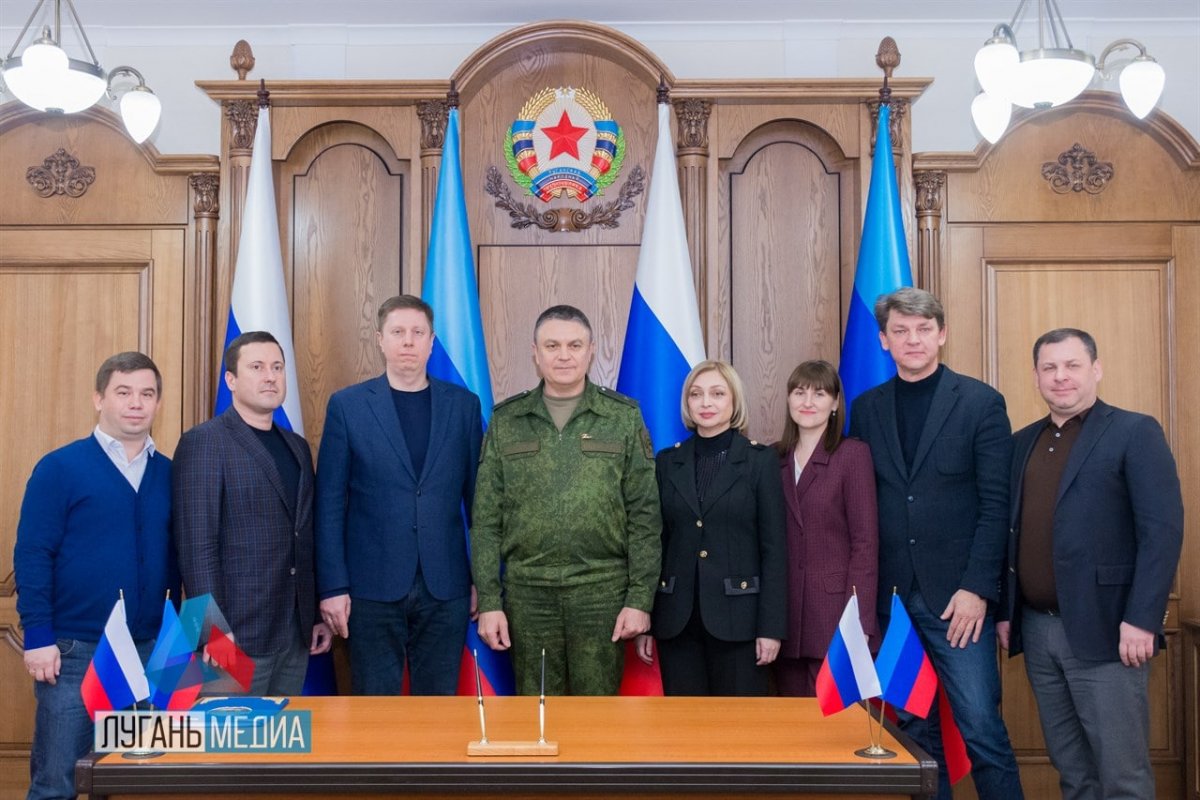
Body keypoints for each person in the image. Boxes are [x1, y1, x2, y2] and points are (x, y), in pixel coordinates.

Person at [849, 287, 1023, 800]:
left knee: (981, 731)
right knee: (914, 737)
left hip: (958, 603)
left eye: (923, 329)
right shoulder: (867, 408)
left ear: (941, 334)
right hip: (893, 600)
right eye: (900, 331)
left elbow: (997, 508)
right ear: (883, 341)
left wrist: (977, 588)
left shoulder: (980, 403)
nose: (913, 340)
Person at [998, 328, 1183, 800]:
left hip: (1109, 632)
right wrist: (1006, 610)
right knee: (1073, 773)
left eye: (1072, 365)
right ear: (1036, 377)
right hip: (1037, 634)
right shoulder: (1022, 443)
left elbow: (1162, 533)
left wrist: (1142, 618)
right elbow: (1010, 533)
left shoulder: (1134, 431)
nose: (1061, 377)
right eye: (1049, 368)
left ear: (1095, 369)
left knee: (1122, 776)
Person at [471, 304, 661, 695]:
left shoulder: (622, 417)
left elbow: (645, 517)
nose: (563, 355)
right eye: (552, 345)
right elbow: (486, 519)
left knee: (597, 725)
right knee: (537, 718)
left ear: (591, 350)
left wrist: (639, 599)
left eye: (574, 345)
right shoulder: (507, 420)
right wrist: (490, 600)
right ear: (535, 353)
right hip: (527, 596)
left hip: (602, 594)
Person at [15, 352, 178, 800]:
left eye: (146, 394)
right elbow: (32, 554)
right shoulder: (59, 469)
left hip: (147, 651)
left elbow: (180, 558)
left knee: (121, 781)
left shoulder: (170, 473)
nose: (135, 404)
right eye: (123, 392)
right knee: (57, 782)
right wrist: (38, 635)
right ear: (98, 399)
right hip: (73, 651)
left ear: (158, 403)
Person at [316, 295, 483, 695]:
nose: (408, 341)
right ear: (380, 339)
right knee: (375, 709)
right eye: (398, 332)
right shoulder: (348, 406)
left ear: (431, 341)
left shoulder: (463, 406)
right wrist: (333, 587)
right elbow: (330, 506)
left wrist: (484, 580)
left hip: (446, 587)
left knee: (439, 709)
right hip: (370, 588)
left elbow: (481, 504)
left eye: (417, 333)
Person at [173, 331, 331, 695]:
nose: (270, 376)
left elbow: (303, 536)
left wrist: (314, 615)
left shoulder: (296, 447)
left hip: (292, 633)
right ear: (231, 380)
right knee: (225, 747)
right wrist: (210, 630)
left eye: (277, 367)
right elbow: (197, 546)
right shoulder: (205, 441)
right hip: (230, 636)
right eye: (257, 367)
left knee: (276, 746)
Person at [633, 360, 785, 695]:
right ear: (686, 403)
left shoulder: (760, 462)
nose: (706, 403)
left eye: (717, 394)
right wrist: (646, 617)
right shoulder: (666, 462)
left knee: (738, 732)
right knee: (683, 731)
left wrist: (771, 628)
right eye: (696, 395)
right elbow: (655, 543)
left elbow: (774, 550)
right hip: (677, 622)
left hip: (741, 622)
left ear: (734, 402)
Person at [772, 360, 878, 696]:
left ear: (835, 404)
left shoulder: (852, 455)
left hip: (834, 612)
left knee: (833, 730)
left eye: (819, 393)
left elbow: (865, 543)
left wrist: (859, 620)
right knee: (790, 729)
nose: (807, 401)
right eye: (799, 392)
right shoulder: (772, 458)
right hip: (784, 617)